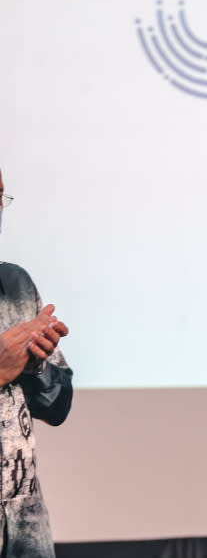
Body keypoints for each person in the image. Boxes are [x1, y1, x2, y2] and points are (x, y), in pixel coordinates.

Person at [0, 168, 73, 558]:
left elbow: (58, 407)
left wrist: (36, 366)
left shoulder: (15, 286)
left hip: (25, 526)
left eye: (0, 195)